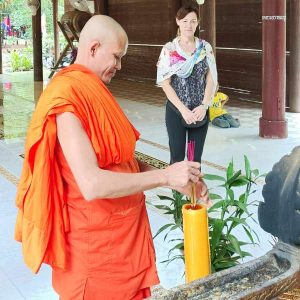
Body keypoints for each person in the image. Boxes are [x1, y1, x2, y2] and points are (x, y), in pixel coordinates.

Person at [14, 15, 211, 300]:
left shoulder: (94, 89)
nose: (119, 66)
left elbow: (121, 160)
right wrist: (164, 177)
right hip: (95, 255)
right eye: (116, 57)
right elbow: (92, 184)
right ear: (93, 48)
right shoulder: (66, 98)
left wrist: (175, 177)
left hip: (122, 241)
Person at [157, 4, 218, 164]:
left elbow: (211, 79)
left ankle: (192, 190)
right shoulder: (169, 49)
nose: (189, 25)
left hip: (199, 112)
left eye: (193, 21)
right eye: (185, 21)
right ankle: (176, 190)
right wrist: (183, 110)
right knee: (177, 157)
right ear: (177, 22)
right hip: (176, 112)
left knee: (194, 159)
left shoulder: (205, 48)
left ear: (198, 23)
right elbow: (165, 83)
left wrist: (204, 106)